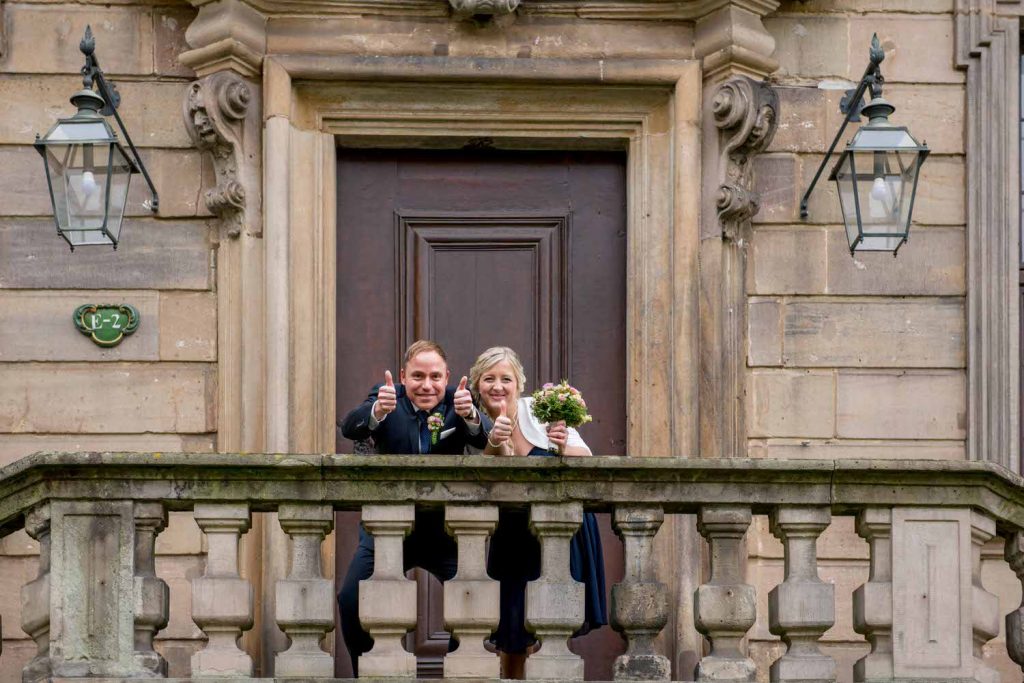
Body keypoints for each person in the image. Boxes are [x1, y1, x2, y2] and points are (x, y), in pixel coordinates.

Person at [337, 339, 492, 674]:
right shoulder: (385, 395)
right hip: (388, 528)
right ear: (404, 377)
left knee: (476, 601)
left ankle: (457, 672)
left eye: (435, 377)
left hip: (445, 530)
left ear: (447, 376)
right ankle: (366, 672)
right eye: (418, 376)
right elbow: (351, 426)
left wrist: (471, 416)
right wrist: (378, 411)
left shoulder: (458, 400)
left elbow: (487, 438)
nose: (427, 385)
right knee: (350, 599)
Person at [468, 346, 607, 679]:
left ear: (519, 383)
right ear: (477, 385)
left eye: (506, 378)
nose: (498, 386)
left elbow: (584, 458)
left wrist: (560, 447)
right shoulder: (473, 423)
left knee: (551, 620)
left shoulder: (542, 409)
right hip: (513, 533)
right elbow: (490, 479)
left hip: (558, 527)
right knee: (512, 627)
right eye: (489, 379)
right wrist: (495, 440)